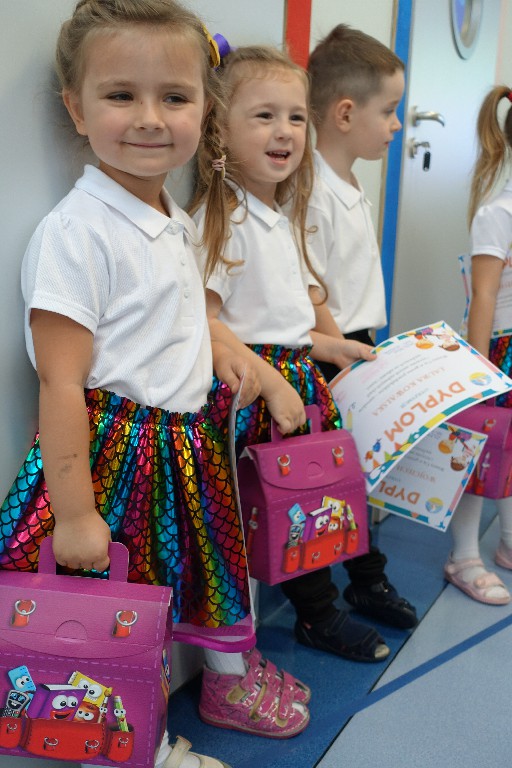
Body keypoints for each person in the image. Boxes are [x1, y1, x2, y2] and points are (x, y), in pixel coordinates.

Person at [0, 0, 309, 761]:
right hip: (115, 461)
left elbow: (186, 313)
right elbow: (61, 384)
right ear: (77, 109)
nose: (148, 118)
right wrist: (76, 515)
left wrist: (246, 363)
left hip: (181, 446)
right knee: (119, 610)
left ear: (204, 111)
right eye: (120, 95)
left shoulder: (172, 215)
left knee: (192, 581)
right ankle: (141, 742)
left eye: (173, 96)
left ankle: (221, 685)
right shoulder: (77, 232)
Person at [191, 44, 396, 681]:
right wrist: (274, 380)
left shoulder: (276, 214)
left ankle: (331, 599)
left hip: (296, 379)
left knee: (318, 500)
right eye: (264, 116)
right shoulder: (222, 218)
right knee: (288, 507)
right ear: (219, 128)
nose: (284, 131)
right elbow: (205, 321)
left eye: (295, 117)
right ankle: (314, 614)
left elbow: (285, 316)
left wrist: (331, 347)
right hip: (259, 392)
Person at [305, 24, 417, 630]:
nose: (397, 125)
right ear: (346, 113)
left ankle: (367, 578)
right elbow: (309, 284)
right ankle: (345, 590)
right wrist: (342, 354)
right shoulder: (312, 188)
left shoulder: (349, 181)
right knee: (333, 477)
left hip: (358, 343)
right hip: (332, 351)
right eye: (390, 111)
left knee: (359, 471)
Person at [443, 85, 512, 605]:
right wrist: (479, 371)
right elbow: (483, 296)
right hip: (503, 352)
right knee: (480, 452)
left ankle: (508, 542)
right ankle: (464, 554)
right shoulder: (499, 213)